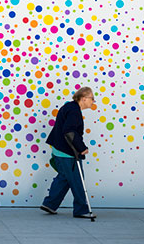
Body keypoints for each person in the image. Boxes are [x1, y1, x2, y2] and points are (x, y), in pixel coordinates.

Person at [40, 86, 96, 218]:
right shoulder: (74, 111)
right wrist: (82, 148)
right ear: (84, 98)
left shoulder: (69, 107)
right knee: (77, 179)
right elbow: (69, 131)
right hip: (66, 152)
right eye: (92, 99)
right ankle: (81, 210)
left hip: (59, 149)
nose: (93, 102)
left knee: (65, 177)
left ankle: (50, 204)